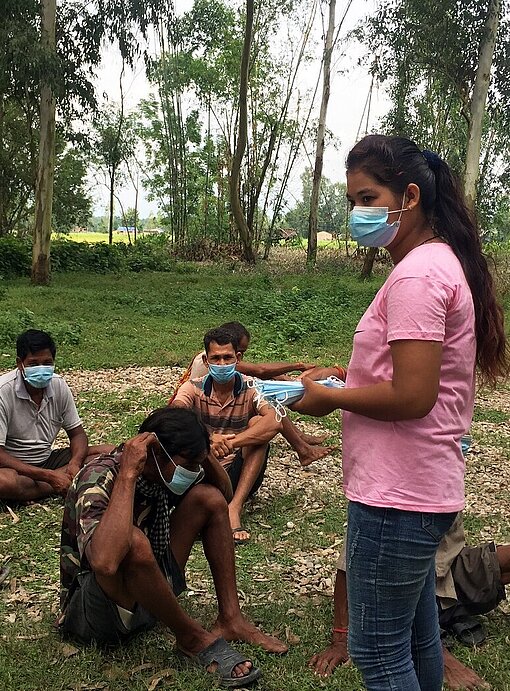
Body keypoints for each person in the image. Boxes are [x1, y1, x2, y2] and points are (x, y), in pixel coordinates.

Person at [292, 134, 508, 690]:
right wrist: (347, 380)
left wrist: (332, 397)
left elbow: (414, 396)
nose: (357, 214)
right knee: (416, 639)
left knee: (379, 653)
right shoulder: (436, 263)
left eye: (367, 198)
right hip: (419, 488)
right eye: (353, 202)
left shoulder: (416, 275)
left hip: (396, 496)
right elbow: (408, 379)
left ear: (408, 197)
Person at [58, 407, 287, 688]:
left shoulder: (161, 473)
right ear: (155, 456)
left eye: (196, 464)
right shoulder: (99, 476)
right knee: (132, 540)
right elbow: (104, 562)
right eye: (188, 464)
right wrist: (129, 474)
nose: (192, 471)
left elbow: (224, 496)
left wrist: (205, 451)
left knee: (209, 498)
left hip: (148, 595)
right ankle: (191, 637)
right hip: (96, 616)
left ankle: (231, 618)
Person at [309, 511, 509, 689]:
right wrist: (341, 636)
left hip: (436, 565)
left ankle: (435, 645)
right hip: (415, 558)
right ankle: (437, 648)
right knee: (417, 640)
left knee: (384, 654)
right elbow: (352, 555)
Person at [171, 327, 282, 544]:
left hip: (237, 475)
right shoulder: (193, 388)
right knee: (178, 429)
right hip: (203, 469)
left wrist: (232, 442)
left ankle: (235, 507)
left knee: (258, 424)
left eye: (227, 357)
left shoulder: (251, 387)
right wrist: (207, 440)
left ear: (237, 357)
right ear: (206, 360)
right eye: (216, 358)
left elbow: (275, 421)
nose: (222, 364)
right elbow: (175, 413)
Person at [170, 321, 331, 466]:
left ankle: (301, 442)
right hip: (201, 411)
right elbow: (260, 370)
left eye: (230, 356)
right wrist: (297, 365)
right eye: (240, 350)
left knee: (267, 408)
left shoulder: (219, 359)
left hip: (218, 421)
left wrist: (287, 380)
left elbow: (262, 373)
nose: (223, 363)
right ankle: (302, 447)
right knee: (268, 404)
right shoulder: (214, 365)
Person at [0, 329, 103, 502]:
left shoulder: (58, 385)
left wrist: (75, 463)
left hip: (47, 459)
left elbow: (77, 433)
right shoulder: (3, 391)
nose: (41, 369)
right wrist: (48, 476)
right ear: (20, 364)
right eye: (33, 364)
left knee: (110, 453)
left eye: (47, 363)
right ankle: (62, 482)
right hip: (12, 466)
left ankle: (51, 483)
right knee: (4, 483)